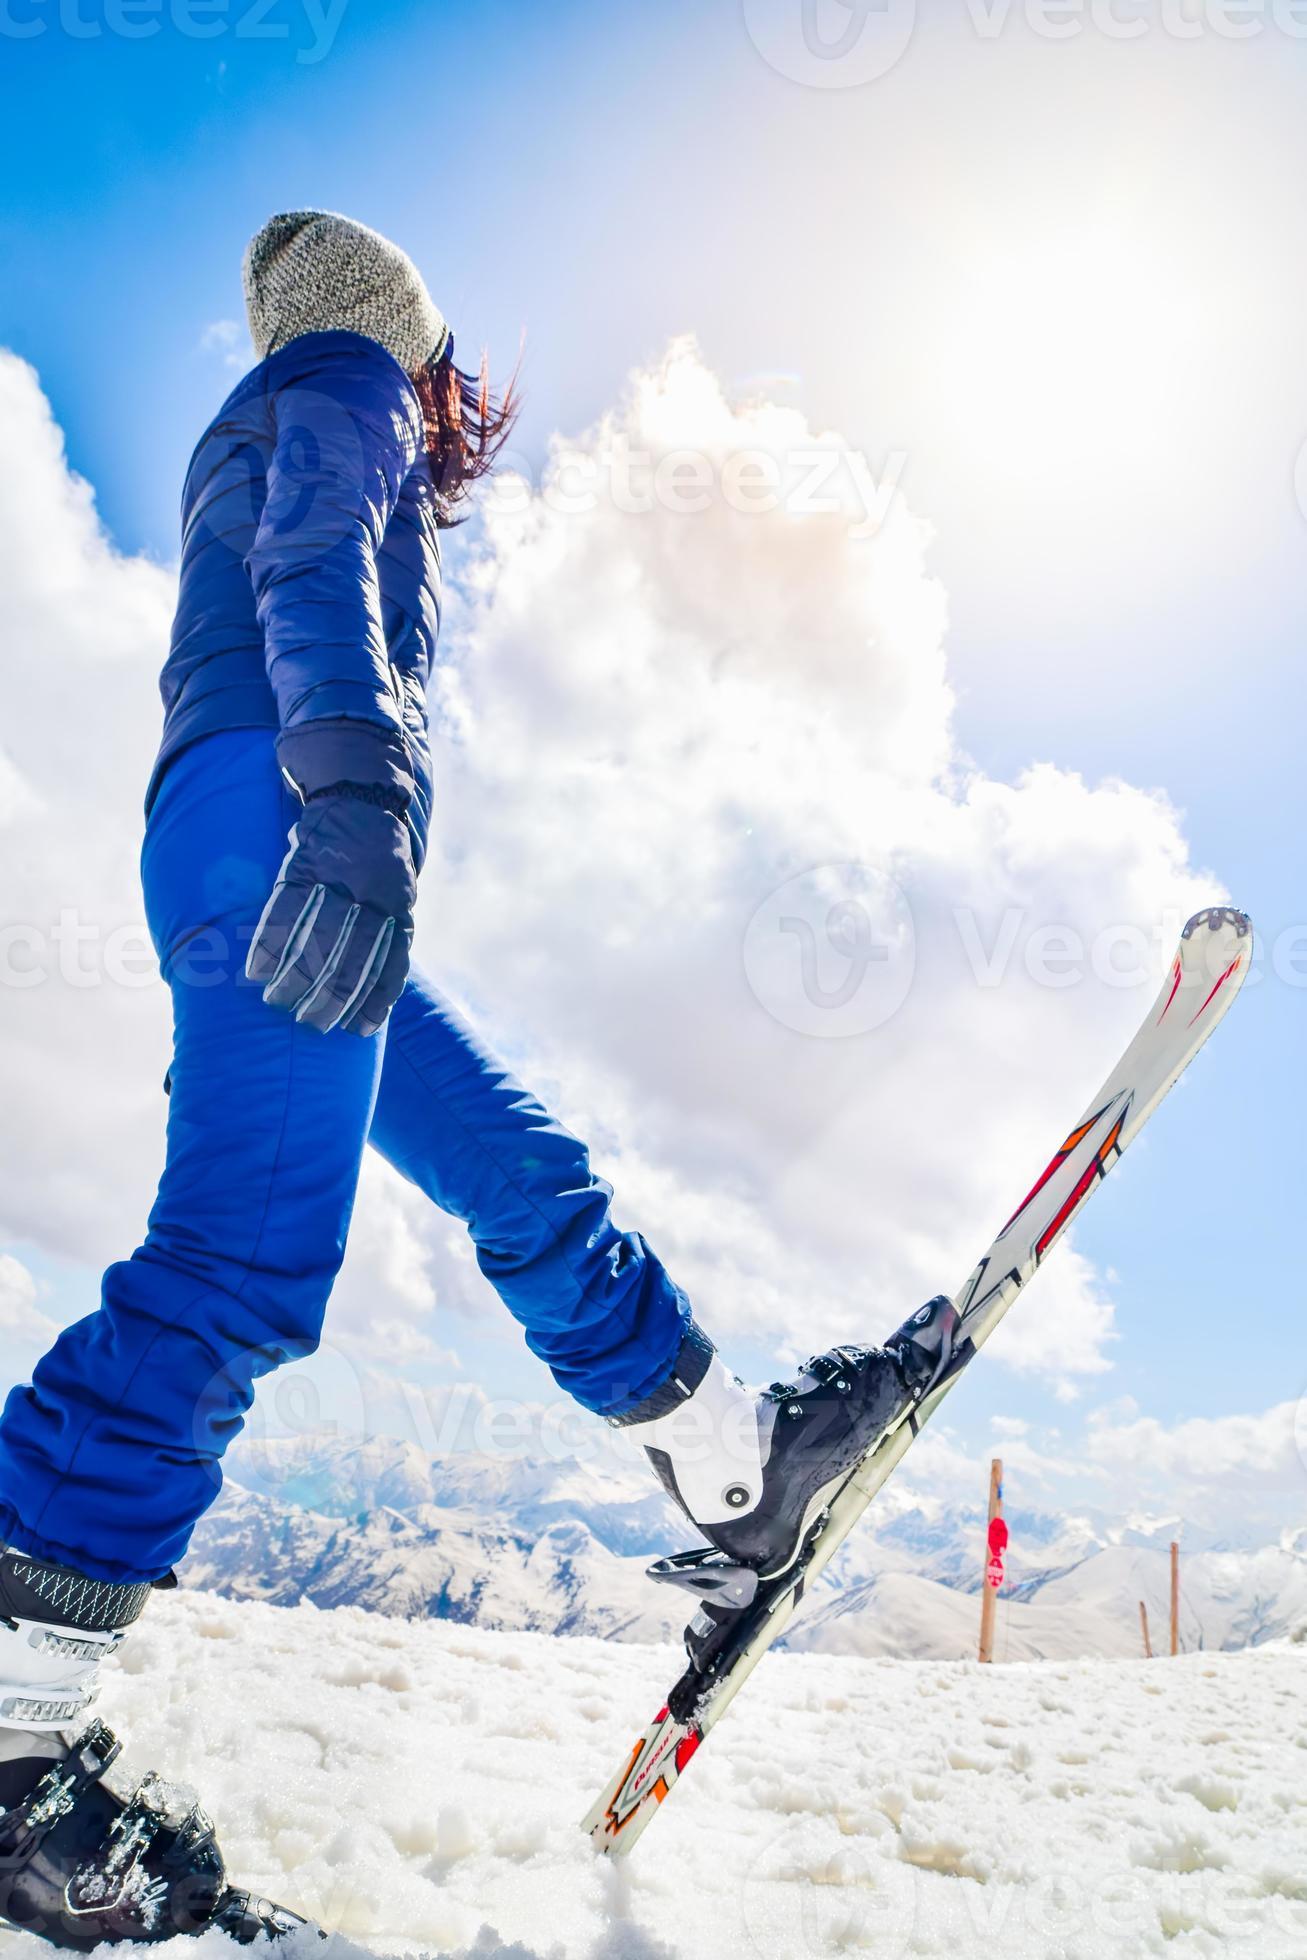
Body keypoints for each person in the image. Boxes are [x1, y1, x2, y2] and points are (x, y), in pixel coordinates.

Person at [0, 212, 958, 1947]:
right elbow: (309, 560)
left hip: (264, 820)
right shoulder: (345, 375)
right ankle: (3, 1750)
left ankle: (736, 1466)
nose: (458, 435)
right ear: (418, 349)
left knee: (514, 1166)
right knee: (237, 1260)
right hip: (289, 819)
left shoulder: (294, 401)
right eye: (455, 394)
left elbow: (295, 564)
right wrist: (360, 799)